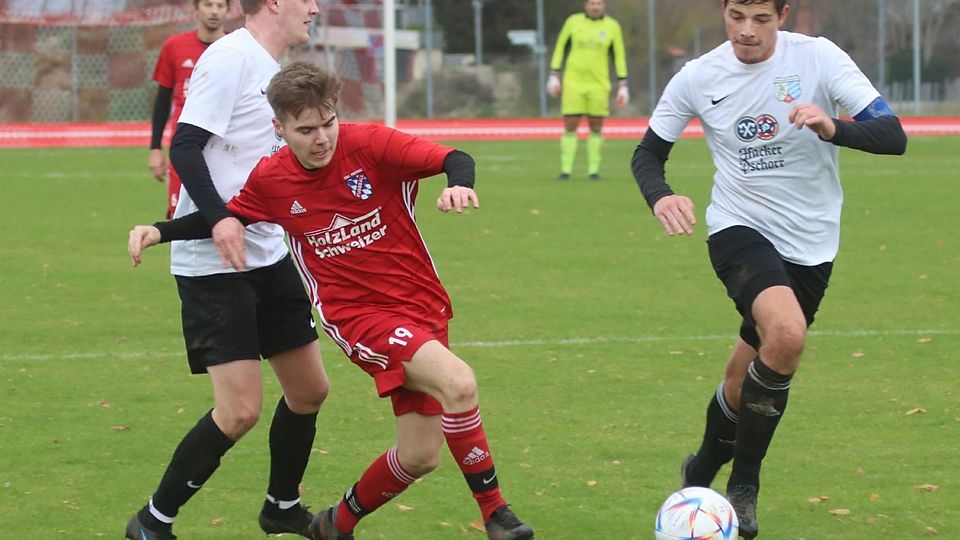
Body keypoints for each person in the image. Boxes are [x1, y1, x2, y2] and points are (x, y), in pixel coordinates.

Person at [128, 61, 535, 540]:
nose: (321, 138)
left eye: (328, 122)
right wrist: (161, 229)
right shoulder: (272, 178)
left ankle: (334, 525)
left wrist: (459, 184)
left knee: (419, 456)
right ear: (279, 128)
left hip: (421, 307)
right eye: (305, 129)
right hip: (359, 318)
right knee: (460, 384)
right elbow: (227, 217)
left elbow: (454, 157)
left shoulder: (370, 144)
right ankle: (497, 515)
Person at [630, 1, 906, 538]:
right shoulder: (698, 75)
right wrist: (660, 196)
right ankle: (744, 487)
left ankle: (701, 470)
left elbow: (893, 135)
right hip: (739, 229)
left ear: (783, 14)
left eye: (760, 18)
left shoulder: (820, 59)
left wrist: (833, 128)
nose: (746, 31)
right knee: (786, 334)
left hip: (812, 245)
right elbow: (647, 154)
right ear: (724, 12)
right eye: (736, 16)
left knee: (748, 369)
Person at [125, 1, 327, 539]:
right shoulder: (229, 57)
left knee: (309, 390)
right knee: (239, 411)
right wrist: (218, 221)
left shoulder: (280, 72)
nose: (315, 7)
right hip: (214, 263)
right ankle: (151, 521)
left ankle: (281, 506)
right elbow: (185, 147)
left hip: (268, 252)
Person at [148, 0, 229, 218]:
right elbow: (163, 100)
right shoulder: (174, 47)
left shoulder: (236, 49)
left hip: (225, 150)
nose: (214, 11)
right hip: (185, 148)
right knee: (178, 219)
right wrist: (155, 148)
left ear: (228, 10)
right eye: (208, 4)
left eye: (220, 5)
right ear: (196, 9)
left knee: (223, 218)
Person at [546, 0, 628, 181]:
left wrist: (623, 83)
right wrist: (554, 73)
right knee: (570, 124)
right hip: (573, 82)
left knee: (596, 125)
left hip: (599, 84)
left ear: (604, 5)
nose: (595, 6)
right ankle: (566, 170)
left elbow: (618, 55)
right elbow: (561, 47)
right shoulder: (573, 22)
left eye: (598, 3)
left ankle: (593, 171)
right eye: (592, 3)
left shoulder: (612, 26)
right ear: (585, 5)